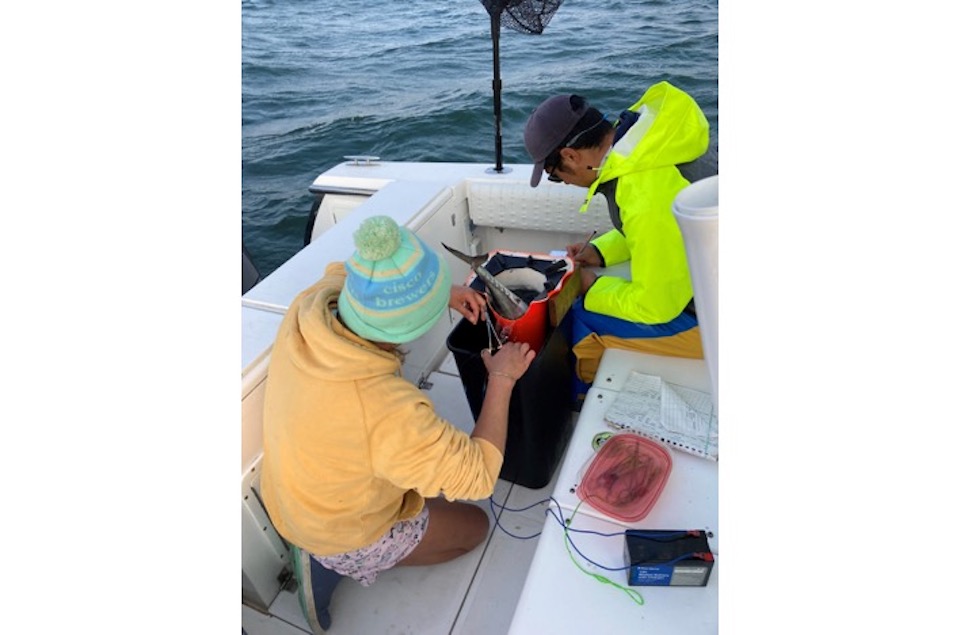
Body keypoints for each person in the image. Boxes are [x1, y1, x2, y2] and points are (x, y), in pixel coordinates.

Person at [259, 215, 535, 593]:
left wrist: (444, 292)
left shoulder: (312, 304)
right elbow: (480, 476)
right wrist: (502, 379)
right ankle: (348, 561)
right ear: (410, 326)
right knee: (474, 528)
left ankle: (324, 543)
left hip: (293, 500)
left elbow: (344, 273)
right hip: (339, 534)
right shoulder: (386, 410)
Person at [523, 81, 716, 403]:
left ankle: (581, 408)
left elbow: (655, 307)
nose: (565, 183)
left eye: (556, 175)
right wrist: (600, 251)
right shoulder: (651, 147)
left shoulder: (643, 188)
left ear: (570, 156)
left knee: (577, 317)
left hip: (715, 323)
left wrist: (587, 287)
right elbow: (659, 229)